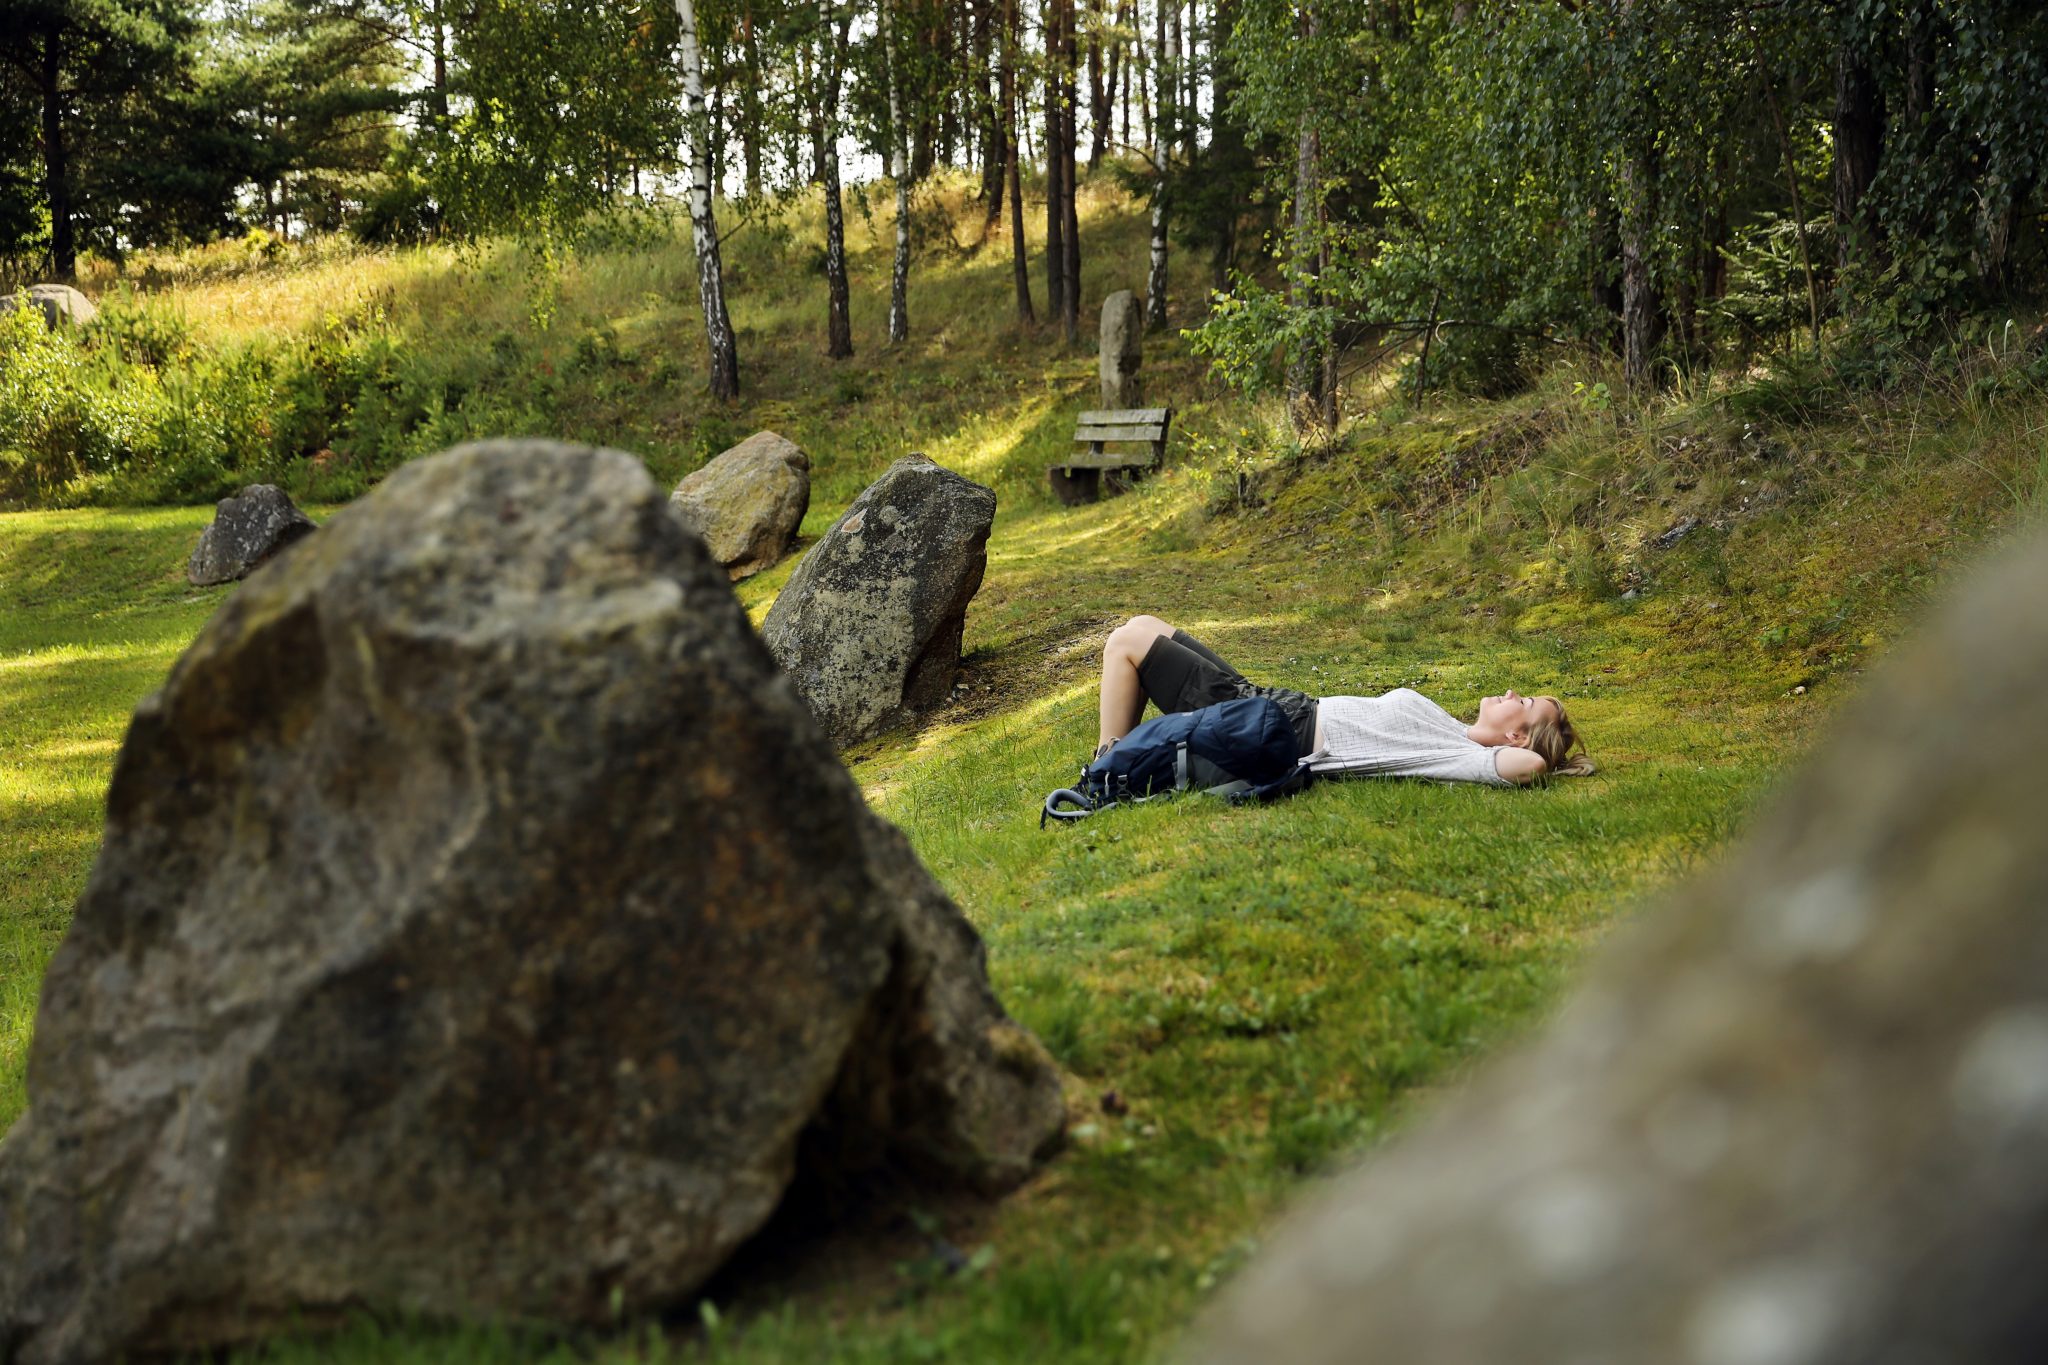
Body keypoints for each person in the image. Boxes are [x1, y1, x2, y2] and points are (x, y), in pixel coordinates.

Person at [1095, 615, 1593, 787]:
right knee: (1141, 626)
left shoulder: (1467, 756)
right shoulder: (1452, 731)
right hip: (1279, 707)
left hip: (1273, 729)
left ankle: (1105, 765)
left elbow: (1527, 766)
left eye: (1523, 701)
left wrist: (1554, 761)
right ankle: (1115, 759)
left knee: (1125, 646)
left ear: (1515, 735)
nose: (1510, 692)